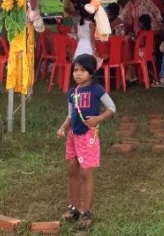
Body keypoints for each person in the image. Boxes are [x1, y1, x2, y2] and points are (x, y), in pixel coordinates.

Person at [57, 54, 116, 228]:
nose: (78, 74)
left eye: (82, 70)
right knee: (71, 171)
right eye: (75, 70)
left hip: (88, 137)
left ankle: (87, 211)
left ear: (91, 72)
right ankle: (74, 207)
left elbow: (112, 107)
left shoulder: (97, 90)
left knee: (85, 173)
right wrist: (63, 127)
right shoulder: (72, 92)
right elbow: (70, 115)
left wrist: (99, 118)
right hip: (73, 137)